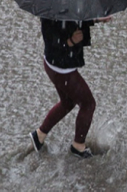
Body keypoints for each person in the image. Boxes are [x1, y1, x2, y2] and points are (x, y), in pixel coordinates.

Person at [29, 16, 112, 158]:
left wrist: (95, 20)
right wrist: (71, 41)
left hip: (54, 65)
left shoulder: (64, 7)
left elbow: (73, 20)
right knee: (88, 104)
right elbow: (52, 42)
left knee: (67, 102)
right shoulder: (51, 15)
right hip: (62, 69)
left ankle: (40, 134)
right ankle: (78, 146)